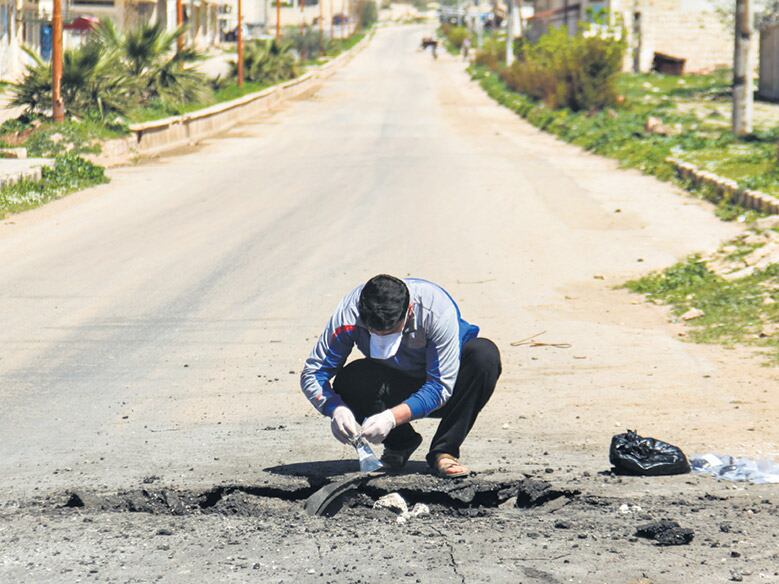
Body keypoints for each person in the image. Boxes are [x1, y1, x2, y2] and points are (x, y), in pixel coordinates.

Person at [300, 275, 501, 478]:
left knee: (484, 355)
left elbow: (440, 386)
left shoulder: (436, 309)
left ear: (410, 310)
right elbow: (314, 373)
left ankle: (444, 451)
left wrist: (391, 418)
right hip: (394, 382)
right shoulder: (349, 314)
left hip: (447, 387)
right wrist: (335, 409)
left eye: (391, 332)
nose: (383, 338)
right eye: (375, 332)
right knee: (351, 379)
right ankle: (400, 444)